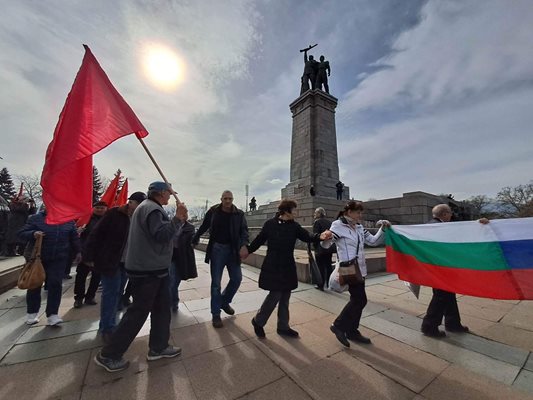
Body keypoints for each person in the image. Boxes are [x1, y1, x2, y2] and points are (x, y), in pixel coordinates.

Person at [94, 181, 187, 373]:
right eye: (168, 193)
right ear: (161, 193)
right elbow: (161, 236)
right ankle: (109, 354)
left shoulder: (149, 207)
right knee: (137, 314)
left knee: (162, 309)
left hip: (156, 269)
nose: (170, 196)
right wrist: (177, 219)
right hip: (148, 271)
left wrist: (180, 220)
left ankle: (159, 347)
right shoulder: (152, 209)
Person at [246, 200, 332, 339]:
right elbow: (259, 240)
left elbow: (307, 236)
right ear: (286, 212)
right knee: (275, 295)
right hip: (273, 265)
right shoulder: (270, 224)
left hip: (287, 265)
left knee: (285, 296)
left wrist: (320, 236)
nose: (296, 213)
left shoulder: (294, 226)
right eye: (294, 210)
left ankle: (283, 326)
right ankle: (258, 321)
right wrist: (247, 251)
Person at [322, 201, 389, 347]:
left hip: (360, 268)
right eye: (358, 212)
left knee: (357, 299)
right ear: (349, 212)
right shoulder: (338, 225)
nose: (360, 215)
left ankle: (352, 331)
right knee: (360, 300)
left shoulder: (359, 227)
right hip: (347, 266)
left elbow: (373, 241)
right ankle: (339, 325)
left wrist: (383, 229)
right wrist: (325, 237)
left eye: (361, 212)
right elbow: (329, 241)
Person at [84, 191, 147, 343]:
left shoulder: (140, 218)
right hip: (110, 260)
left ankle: (108, 323)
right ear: (130, 202)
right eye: (137, 204)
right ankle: (107, 328)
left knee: (118, 292)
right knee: (110, 294)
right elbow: (96, 234)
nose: (139, 208)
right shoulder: (114, 214)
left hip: (128, 263)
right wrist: (88, 256)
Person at [420, 204, 488, 337]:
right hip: (443, 268)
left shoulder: (430, 225)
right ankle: (429, 326)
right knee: (441, 297)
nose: (451, 215)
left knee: (448, 295)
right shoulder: (442, 227)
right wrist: (479, 225)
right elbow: (462, 234)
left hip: (437, 267)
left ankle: (453, 323)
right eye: (450, 213)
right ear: (444, 214)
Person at [192, 190, 249, 328]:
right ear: (221, 199)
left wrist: (244, 245)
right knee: (216, 283)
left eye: (230, 198)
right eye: (225, 198)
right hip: (217, 249)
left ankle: (224, 301)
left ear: (233, 199)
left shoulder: (239, 214)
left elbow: (244, 231)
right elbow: (205, 225)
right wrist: (196, 236)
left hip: (233, 250)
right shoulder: (213, 211)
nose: (228, 201)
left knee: (237, 278)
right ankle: (216, 314)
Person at [18, 206, 81, 326]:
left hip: (59, 258)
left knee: (55, 284)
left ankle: (52, 314)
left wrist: (78, 251)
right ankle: (32, 313)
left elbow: (74, 238)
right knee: (35, 284)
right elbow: (21, 233)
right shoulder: (36, 219)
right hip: (38, 259)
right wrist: (33, 233)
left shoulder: (68, 220)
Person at [73, 201, 108, 308]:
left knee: (96, 277)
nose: (100, 210)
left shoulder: (108, 219)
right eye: (97, 207)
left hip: (100, 253)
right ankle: (79, 298)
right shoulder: (86, 219)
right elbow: (76, 233)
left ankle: (90, 297)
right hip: (86, 252)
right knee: (81, 276)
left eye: (102, 208)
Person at [169, 220, 197, 312]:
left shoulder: (190, 227)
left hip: (182, 257)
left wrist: (194, 241)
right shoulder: (172, 225)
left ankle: (173, 301)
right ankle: (172, 302)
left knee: (174, 282)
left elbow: (193, 239)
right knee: (171, 281)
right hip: (170, 257)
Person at [313, 207, 334, 290]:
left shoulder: (317, 222)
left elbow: (316, 236)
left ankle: (320, 285)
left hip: (320, 248)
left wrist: (315, 247)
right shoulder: (329, 222)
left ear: (319, 214)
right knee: (328, 266)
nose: (314, 214)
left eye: (315, 212)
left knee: (320, 266)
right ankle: (330, 284)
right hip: (328, 247)